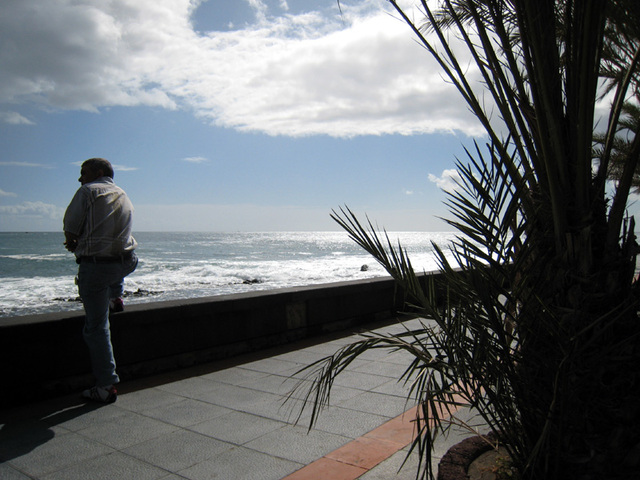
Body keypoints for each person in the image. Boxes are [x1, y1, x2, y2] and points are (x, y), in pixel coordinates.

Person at [63, 158, 138, 403]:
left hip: (97, 268)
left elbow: (71, 227)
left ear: (98, 172)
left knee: (96, 328)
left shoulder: (87, 191)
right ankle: (116, 297)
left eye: (83, 172)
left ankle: (106, 385)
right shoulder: (123, 193)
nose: (80, 178)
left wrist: (72, 242)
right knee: (115, 270)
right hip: (126, 261)